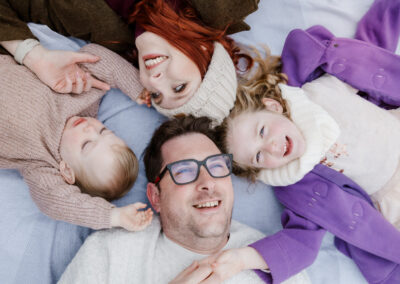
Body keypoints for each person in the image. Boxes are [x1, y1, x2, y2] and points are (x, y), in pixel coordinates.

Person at [212, 50, 400, 283]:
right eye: (258, 156)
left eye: (262, 131)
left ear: (272, 106)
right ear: (259, 171)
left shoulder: (318, 92)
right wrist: (242, 259)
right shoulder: (298, 184)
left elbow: (367, 62)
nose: (271, 146)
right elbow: (300, 241)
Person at [58, 115, 310, 284]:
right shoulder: (110, 252)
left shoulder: (276, 261)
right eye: (184, 171)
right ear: (155, 197)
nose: (207, 183)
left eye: (217, 166)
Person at [0, 0, 257, 124]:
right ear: (205, 52)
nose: (155, 81)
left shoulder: (94, 27)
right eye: (179, 87)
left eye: (156, 95)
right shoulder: (220, 6)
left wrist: (34, 56)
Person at [0, 43, 154, 230]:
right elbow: (94, 58)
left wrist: (113, 216)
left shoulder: (42, 163)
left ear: (67, 171)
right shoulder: (82, 98)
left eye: (87, 145)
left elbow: (57, 203)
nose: (90, 129)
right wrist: (138, 88)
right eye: (104, 131)